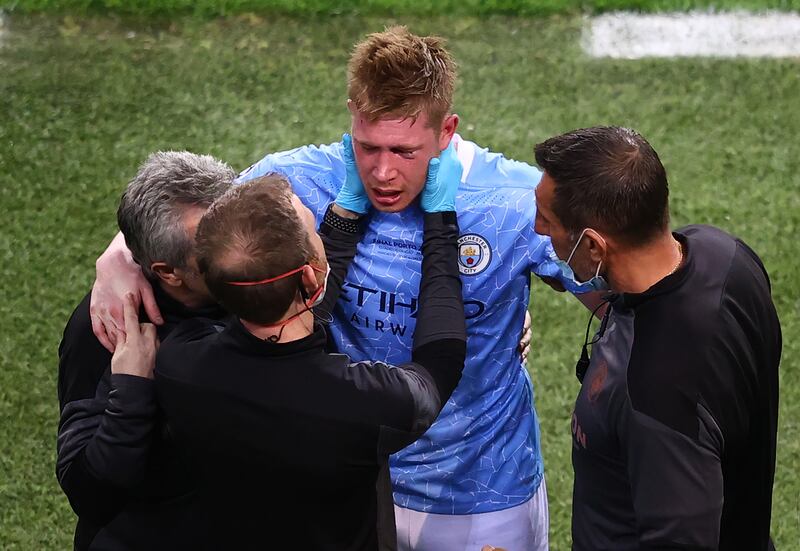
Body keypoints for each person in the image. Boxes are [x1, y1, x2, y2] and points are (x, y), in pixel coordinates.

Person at [90, 27, 598, 549]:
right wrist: (118, 259)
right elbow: (185, 223)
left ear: (446, 131)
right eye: (367, 146)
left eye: (403, 150)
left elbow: (615, 288)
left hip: (479, 494)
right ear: (351, 114)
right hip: (346, 484)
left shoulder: (511, 197)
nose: (381, 172)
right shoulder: (295, 182)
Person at [153, 143, 466, 549]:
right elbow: (440, 363)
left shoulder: (179, 362)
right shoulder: (365, 403)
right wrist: (440, 223)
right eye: (313, 227)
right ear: (311, 278)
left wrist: (345, 216)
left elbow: (289, 311)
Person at [532, 126, 781, 551]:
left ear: (593, 246)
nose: (538, 230)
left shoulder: (650, 396)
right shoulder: (727, 257)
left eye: (548, 221)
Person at [56, 151, 234, 549]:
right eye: (216, 248)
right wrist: (132, 393)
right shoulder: (105, 326)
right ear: (167, 272)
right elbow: (88, 492)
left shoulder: (250, 288)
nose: (243, 250)